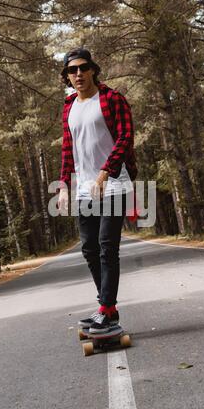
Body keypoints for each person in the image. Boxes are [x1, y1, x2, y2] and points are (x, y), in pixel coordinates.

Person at [57, 48, 138, 334]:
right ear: (67, 76)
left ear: (93, 69)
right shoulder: (69, 106)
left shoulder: (111, 98)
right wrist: (65, 184)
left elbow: (126, 136)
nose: (78, 74)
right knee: (89, 248)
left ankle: (105, 309)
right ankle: (108, 308)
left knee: (106, 247)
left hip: (113, 182)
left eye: (83, 68)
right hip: (83, 188)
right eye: (72, 70)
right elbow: (68, 148)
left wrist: (106, 171)